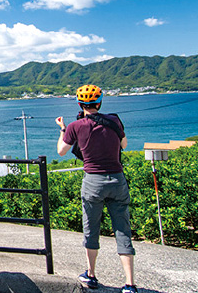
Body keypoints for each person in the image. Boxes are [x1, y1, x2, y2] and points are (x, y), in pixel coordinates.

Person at [55, 85, 137, 293]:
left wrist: (63, 129)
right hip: (117, 180)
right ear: (99, 103)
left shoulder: (75, 126)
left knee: (91, 228)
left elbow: (61, 151)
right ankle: (130, 284)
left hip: (93, 182)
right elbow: (125, 145)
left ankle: (91, 275)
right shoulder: (115, 121)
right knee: (123, 230)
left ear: (80, 104)